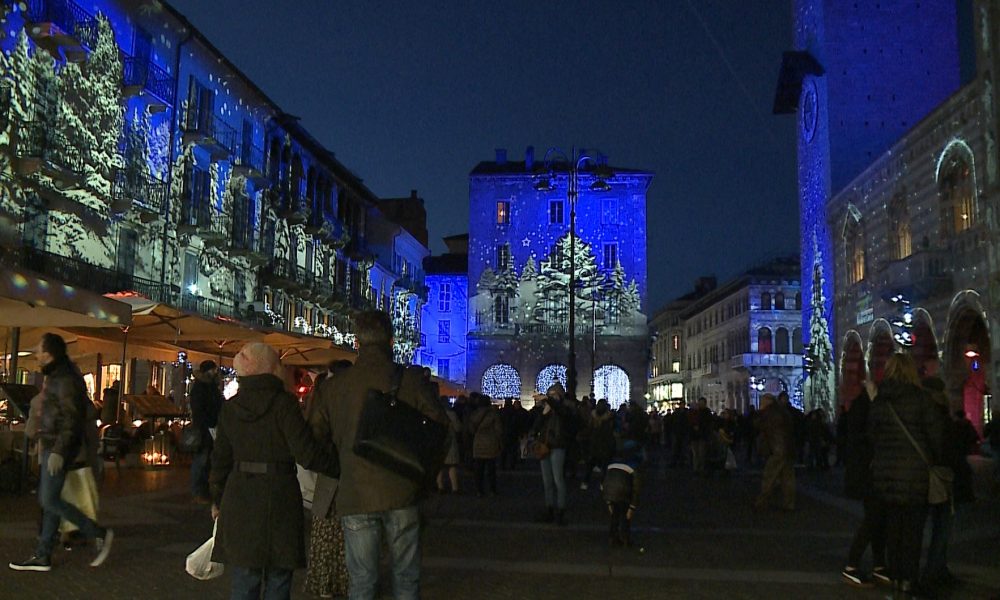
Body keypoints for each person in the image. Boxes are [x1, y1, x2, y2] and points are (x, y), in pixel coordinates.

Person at [311, 310, 447, 600]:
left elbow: (314, 437)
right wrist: (426, 472)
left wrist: (340, 467)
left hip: (355, 491)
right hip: (403, 488)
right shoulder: (411, 381)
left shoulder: (334, 387)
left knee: (362, 579)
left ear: (357, 343)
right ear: (392, 341)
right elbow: (440, 431)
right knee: (406, 575)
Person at [209, 342, 338, 600]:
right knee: (279, 575)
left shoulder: (231, 407)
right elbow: (306, 452)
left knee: (245, 575)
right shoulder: (284, 404)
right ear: (270, 369)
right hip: (279, 494)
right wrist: (337, 468)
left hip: (240, 495)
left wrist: (217, 497)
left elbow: (220, 459)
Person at [10, 333, 113, 572]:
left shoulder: (64, 378)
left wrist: (57, 450)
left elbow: (71, 417)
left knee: (48, 499)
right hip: (53, 445)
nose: (35, 353)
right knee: (50, 502)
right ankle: (43, 554)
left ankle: (96, 531)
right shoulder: (57, 375)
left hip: (57, 448)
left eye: (39, 349)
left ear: (49, 354)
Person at [868, 353, 944, 597]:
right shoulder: (921, 399)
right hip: (914, 476)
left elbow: (872, 437)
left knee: (893, 531)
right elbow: (936, 438)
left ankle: (896, 580)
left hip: (885, 476)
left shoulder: (880, 402)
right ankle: (909, 582)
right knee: (913, 532)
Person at [921, 360, 974, 592]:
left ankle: (938, 569)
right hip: (942, 477)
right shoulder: (938, 416)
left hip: (932, 476)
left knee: (938, 528)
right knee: (942, 528)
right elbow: (946, 447)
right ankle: (934, 572)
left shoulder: (924, 414)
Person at [304, 359, 354, 600]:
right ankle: (347, 582)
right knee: (348, 533)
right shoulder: (358, 397)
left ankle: (325, 582)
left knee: (326, 531)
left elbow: (314, 433)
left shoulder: (323, 397)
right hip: (352, 475)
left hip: (330, 473)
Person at [841, 387, 888, 587]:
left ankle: (879, 565)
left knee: (877, 519)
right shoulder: (867, 411)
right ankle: (852, 566)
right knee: (874, 518)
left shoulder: (860, 407)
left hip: (865, 473)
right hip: (869, 473)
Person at [531, 383, 573, 526]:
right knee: (547, 481)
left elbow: (563, 412)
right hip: (545, 446)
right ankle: (549, 509)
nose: (551, 396)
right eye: (550, 394)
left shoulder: (565, 409)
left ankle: (560, 511)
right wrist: (544, 413)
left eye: (554, 394)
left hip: (558, 447)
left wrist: (550, 402)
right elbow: (536, 427)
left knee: (558, 480)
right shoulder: (546, 410)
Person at [753, 392, 796, 511]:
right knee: (787, 477)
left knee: (769, 475)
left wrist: (760, 412)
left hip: (778, 449)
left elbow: (759, 426)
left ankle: (762, 501)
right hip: (787, 448)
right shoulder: (783, 412)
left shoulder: (769, 413)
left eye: (762, 401)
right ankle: (789, 503)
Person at [190, 360, 224, 504]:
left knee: (207, 460)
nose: (216, 372)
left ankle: (204, 490)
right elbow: (201, 410)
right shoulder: (202, 388)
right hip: (204, 429)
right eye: (213, 370)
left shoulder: (211, 386)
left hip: (211, 428)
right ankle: (198, 491)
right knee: (201, 460)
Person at [602, 439, 642, 547]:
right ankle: (625, 538)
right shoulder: (634, 465)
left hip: (611, 490)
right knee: (625, 516)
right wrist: (632, 507)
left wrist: (608, 502)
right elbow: (636, 488)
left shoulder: (612, 463)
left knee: (614, 515)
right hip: (624, 490)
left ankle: (612, 537)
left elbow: (605, 482)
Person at [467, 394, 503, 496]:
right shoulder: (493, 414)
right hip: (491, 443)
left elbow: (470, 429)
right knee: (491, 470)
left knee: (479, 470)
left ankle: (479, 490)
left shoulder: (474, 414)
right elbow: (499, 430)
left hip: (478, 443)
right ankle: (492, 490)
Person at [582, 399, 616, 490]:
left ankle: (585, 482)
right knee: (604, 466)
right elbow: (611, 431)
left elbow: (589, 429)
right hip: (604, 443)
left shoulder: (593, 416)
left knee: (590, 464)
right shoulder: (609, 417)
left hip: (595, 442)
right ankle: (602, 483)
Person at [437, 397, 461, 493]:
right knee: (452, 466)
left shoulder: (437, 413)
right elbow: (458, 427)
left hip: (438, 441)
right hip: (450, 441)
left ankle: (440, 486)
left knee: (439, 466)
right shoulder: (452, 414)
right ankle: (454, 487)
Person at [689, 398, 712, 473]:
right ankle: (696, 468)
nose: (700, 404)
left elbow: (708, 424)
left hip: (702, 436)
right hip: (694, 436)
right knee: (695, 454)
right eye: (699, 403)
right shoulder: (695, 412)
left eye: (702, 403)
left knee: (702, 453)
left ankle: (701, 468)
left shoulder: (707, 412)